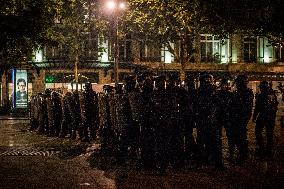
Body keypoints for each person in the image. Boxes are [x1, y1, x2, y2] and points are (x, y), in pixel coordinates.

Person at [231, 75, 254, 164]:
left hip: (241, 117)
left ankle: (243, 155)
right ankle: (242, 154)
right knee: (238, 137)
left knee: (240, 137)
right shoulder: (240, 92)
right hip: (239, 117)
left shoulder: (246, 93)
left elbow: (244, 107)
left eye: (237, 82)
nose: (236, 84)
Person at [252, 81, 278, 158]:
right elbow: (275, 106)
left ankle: (262, 149)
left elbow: (257, 108)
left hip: (263, 117)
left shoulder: (261, 96)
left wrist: (254, 116)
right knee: (269, 134)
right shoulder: (273, 95)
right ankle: (268, 151)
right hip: (270, 117)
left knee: (258, 132)